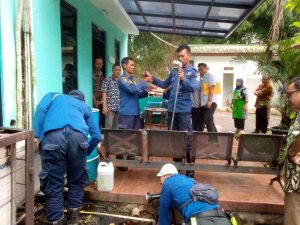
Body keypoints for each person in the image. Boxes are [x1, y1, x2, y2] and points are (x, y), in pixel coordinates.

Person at [33, 90, 102, 225]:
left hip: (53, 138)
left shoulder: (53, 96)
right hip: (79, 140)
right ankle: (73, 221)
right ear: (82, 101)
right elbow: (97, 136)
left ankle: (56, 221)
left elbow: (41, 108)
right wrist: (85, 153)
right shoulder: (84, 107)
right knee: (76, 182)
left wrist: (36, 135)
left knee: (54, 184)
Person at [157, 163, 231, 225]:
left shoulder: (168, 182)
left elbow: (163, 211)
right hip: (222, 217)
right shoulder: (190, 180)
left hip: (200, 220)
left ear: (164, 176)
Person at [282, 77, 300, 225]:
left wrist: (291, 152)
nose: (288, 98)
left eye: (290, 94)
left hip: (297, 179)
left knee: (293, 215)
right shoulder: (298, 112)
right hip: (294, 177)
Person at [118, 57, 153, 129]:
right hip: (127, 113)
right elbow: (132, 90)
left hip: (135, 112)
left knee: (135, 137)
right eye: (132, 65)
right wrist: (145, 80)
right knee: (126, 137)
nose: (133, 67)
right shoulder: (122, 78)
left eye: (134, 65)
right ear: (124, 65)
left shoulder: (131, 79)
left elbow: (136, 95)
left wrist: (146, 91)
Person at [198, 63, 218, 132]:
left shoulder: (210, 76)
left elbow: (211, 89)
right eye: (199, 70)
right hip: (204, 103)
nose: (200, 71)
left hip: (211, 102)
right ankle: (215, 138)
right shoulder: (202, 78)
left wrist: (209, 101)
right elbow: (200, 90)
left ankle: (213, 139)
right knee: (208, 119)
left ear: (206, 68)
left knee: (208, 118)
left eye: (202, 69)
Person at [101, 63, 121, 129]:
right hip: (109, 107)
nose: (117, 71)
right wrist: (104, 106)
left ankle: (116, 139)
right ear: (112, 70)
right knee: (108, 126)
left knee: (117, 127)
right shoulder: (107, 80)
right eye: (116, 70)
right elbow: (104, 93)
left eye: (119, 70)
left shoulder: (122, 81)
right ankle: (107, 139)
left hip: (120, 107)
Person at [93, 57, 105, 128]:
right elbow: (90, 86)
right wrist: (94, 99)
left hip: (100, 100)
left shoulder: (101, 73)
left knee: (101, 117)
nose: (99, 65)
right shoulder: (91, 73)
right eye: (97, 64)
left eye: (100, 64)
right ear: (94, 64)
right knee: (95, 119)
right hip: (94, 100)